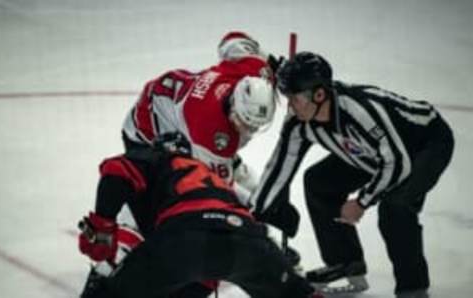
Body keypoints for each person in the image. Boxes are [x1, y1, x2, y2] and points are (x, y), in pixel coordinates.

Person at [250, 52, 455, 297]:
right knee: (318, 182)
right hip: (372, 152)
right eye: (288, 98)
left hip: (423, 145)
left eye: (295, 98)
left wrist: (362, 201)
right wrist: (254, 216)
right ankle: (346, 262)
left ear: (319, 94)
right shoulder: (298, 122)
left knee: (395, 209)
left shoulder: (360, 111)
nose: (290, 106)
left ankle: (413, 289)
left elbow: (398, 163)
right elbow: (278, 168)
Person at [77, 132, 323, 298]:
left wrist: (101, 228)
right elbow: (205, 270)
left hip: (184, 238)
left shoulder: (159, 159)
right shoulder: (212, 176)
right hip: (246, 241)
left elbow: (116, 170)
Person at [121, 31, 278, 206]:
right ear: (235, 107)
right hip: (145, 132)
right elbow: (220, 186)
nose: (250, 131)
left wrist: (274, 64)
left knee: (250, 186)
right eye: (246, 123)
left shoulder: (255, 71)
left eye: (256, 127)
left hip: (177, 109)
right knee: (169, 205)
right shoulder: (209, 129)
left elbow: (233, 39)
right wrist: (257, 207)